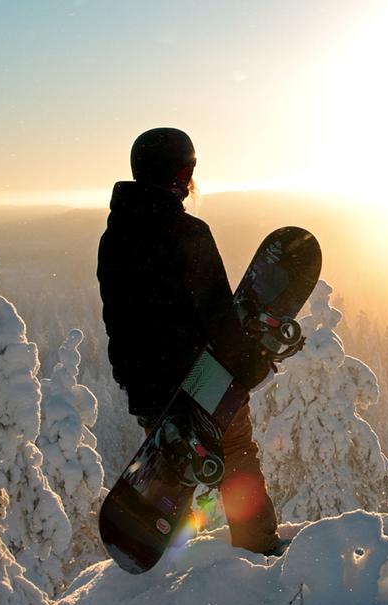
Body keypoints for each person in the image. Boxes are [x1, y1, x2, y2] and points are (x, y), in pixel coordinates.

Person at [97, 127, 281, 555]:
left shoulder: (114, 238)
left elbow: (118, 319)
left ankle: (168, 576)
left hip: (148, 384)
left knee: (169, 476)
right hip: (202, 378)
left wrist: (132, 380)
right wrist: (248, 366)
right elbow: (217, 313)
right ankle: (257, 554)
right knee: (236, 454)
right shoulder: (188, 232)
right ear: (182, 173)